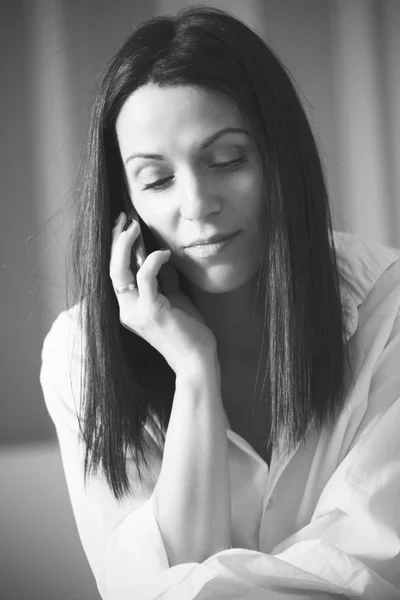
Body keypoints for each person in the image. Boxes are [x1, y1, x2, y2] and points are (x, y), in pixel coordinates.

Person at [40, 5, 400, 599]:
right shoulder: (81, 352)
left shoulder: (388, 308)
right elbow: (138, 589)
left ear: (279, 158)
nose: (198, 203)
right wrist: (194, 373)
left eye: (227, 159)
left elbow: (365, 570)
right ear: (125, 206)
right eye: (156, 180)